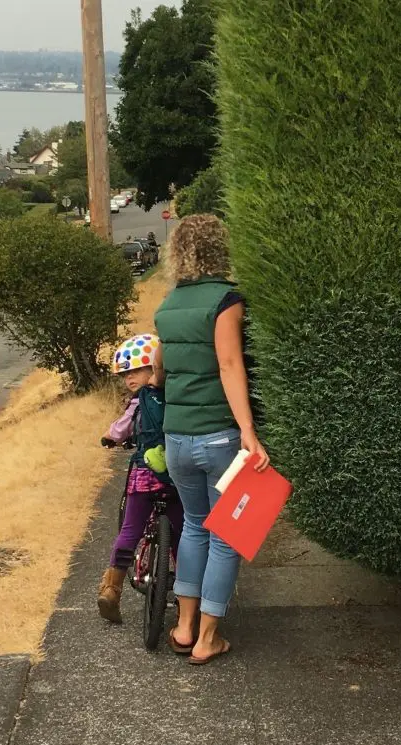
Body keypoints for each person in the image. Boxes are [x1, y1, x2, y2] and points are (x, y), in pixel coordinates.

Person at [154, 214, 270, 665]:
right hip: (219, 436)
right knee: (226, 535)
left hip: (177, 438)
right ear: (220, 248)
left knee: (194, 527)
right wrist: (247, 430)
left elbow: (161, 370)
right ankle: (208, 639)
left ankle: (182, 627)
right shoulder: (226, 301)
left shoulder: (168, 305)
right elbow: (229, 365)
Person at [97, 333, 184, 624]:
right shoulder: (176, 395)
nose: (129, 378)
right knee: (182, 538)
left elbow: (120, 430)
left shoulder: (140, 400)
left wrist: (110, 437)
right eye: (125, 373)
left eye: (135, 370)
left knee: (130, 531)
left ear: (153, 368)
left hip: (145, 476)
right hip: (175, 476)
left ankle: (112, 589)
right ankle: (187, 601)